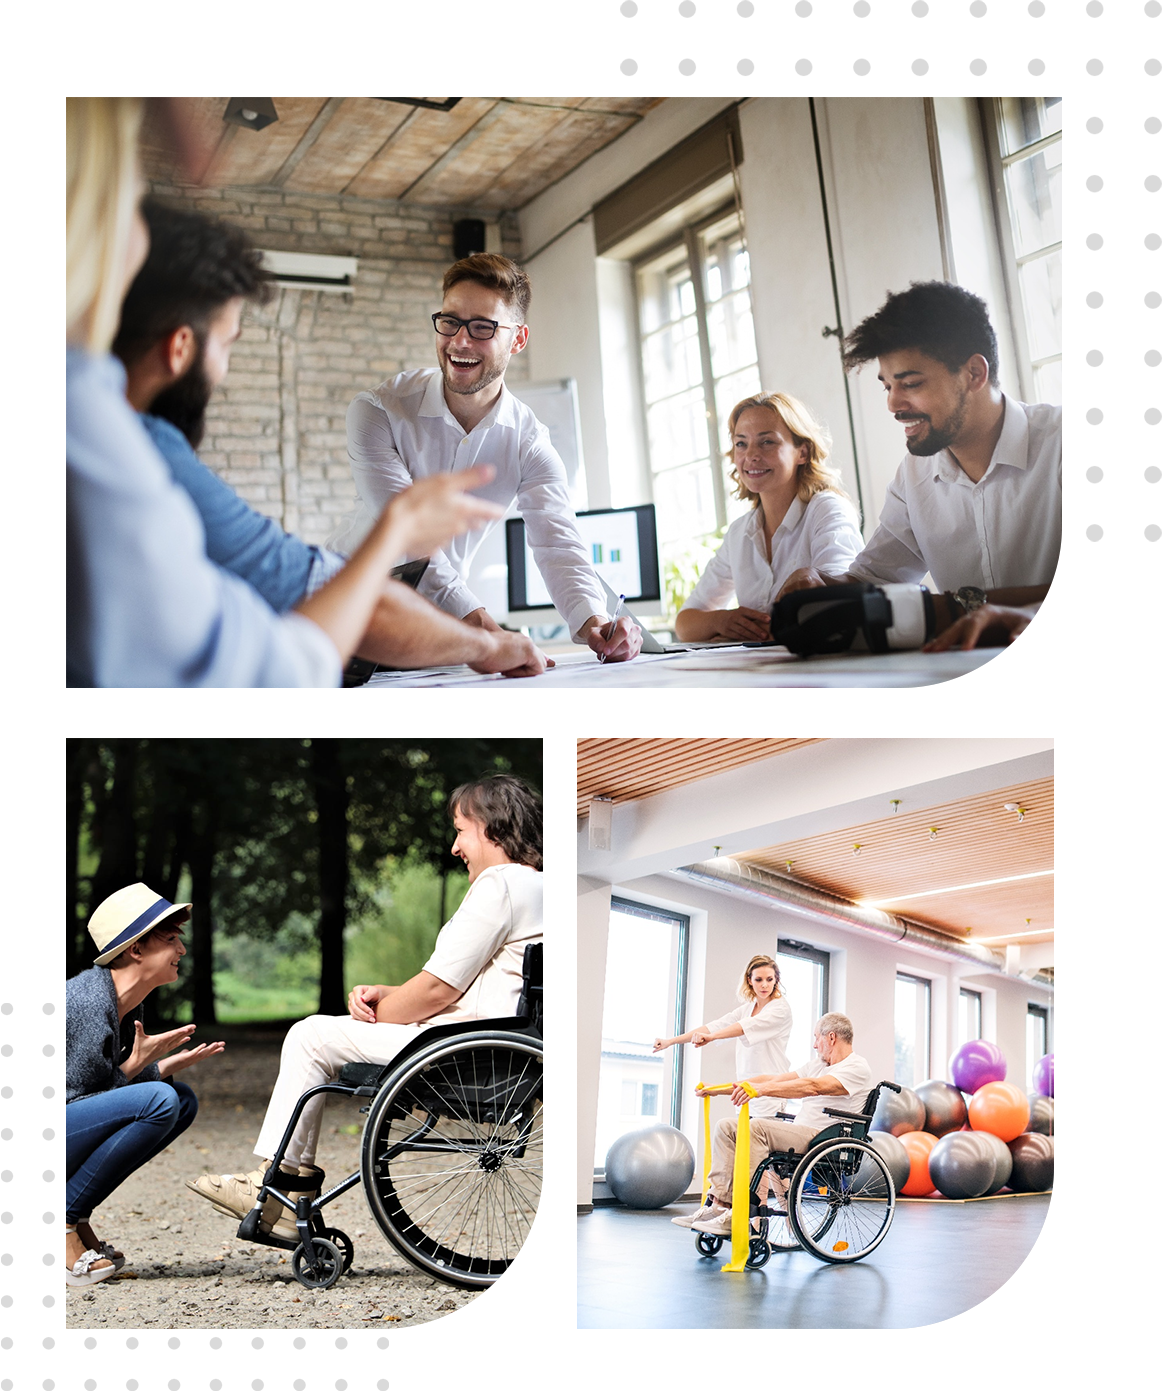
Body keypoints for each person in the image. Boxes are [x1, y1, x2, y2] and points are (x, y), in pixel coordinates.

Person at [66, 96, 504, 687]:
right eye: (228, 343)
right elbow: (290, 656)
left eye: (482, 327)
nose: (460, 341)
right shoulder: (129, 449)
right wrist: (401, 539)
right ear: (179, 350)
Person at [112, 200, 549, 678]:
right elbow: (357, 611)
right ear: (180, 349)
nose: (224, 369)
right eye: (228, 343)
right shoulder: (153, 463)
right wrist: (488, 644)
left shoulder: (94, 432)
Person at [186, 773, 571, 1242]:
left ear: (492, 827)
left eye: (459, 830)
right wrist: (389, 993)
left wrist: (376, 1013)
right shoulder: (550, 891)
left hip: (467, 1054)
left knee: (310, 1035)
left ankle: (281, 1190)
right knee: (326, 1031)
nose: (455, 847)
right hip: (505, 1050)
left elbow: (435, 993)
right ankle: (284, 1188)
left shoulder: (502, 884)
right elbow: (471, 985)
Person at [774, 280, 1149, 650]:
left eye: (911, 383)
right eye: (887, 386)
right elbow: (876, 577)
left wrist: (959, 607)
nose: (893, 404)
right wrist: (821, 581)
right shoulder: (914, 475)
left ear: (974, 373)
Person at [325, 252, 642, 663]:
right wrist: (489, 634)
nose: (459, 341)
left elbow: (558, 542)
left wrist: (595, 623)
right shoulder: (378, 411)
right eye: (450, 321)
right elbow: (409, 535)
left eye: (482, 327)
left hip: (436, 638)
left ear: (519, 339)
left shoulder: (529, 443)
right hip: (343, 618)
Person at [66, 884, 225, 1286]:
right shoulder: (86, 1004)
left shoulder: (122, 1003)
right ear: (136, 949)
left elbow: (101, 1089)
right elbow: (83, 1097)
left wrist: (161, 1065)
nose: (181, 951)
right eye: (171, 940)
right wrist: (140, 1064)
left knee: (180, 1100)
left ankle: (76, 1214)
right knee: (159, 1099)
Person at [675, 393, 863, 642]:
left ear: (802, 453)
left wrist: (738, 636)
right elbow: (685, 624)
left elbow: (833, 607)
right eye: (741, 443)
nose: (750, 455)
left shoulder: (827, 510)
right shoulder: (740, 532)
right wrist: (721, 621)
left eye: (767, 442)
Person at [688, 1013, 873, 1246]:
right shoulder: (819, 1064)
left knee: (757, 1127)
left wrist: (763, 1091)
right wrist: (720, 1089)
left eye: (817, 1038)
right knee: (726, 1126)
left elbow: (813, 1088)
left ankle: (742, 1211)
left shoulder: (857, 1066)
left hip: (824, 1138)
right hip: (802, 1132)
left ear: (832, 1037)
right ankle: (720, 1204)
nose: (815, 1045)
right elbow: (775, 1079)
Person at [654, 954, 793, 1227]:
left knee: (764, 1163)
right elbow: (714, 1025)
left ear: (776, 980)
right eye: (758, 979)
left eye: (769, 979)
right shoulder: (748, 1007)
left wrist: (711, 1038)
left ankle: (770, 1222)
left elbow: (740, 1029)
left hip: (769, 1091)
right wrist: (672, 1041)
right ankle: (734, 1212)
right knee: (760, 1162)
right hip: (747, 1093)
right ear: (749, 982)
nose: (764, 984)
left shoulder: (780, 1009)